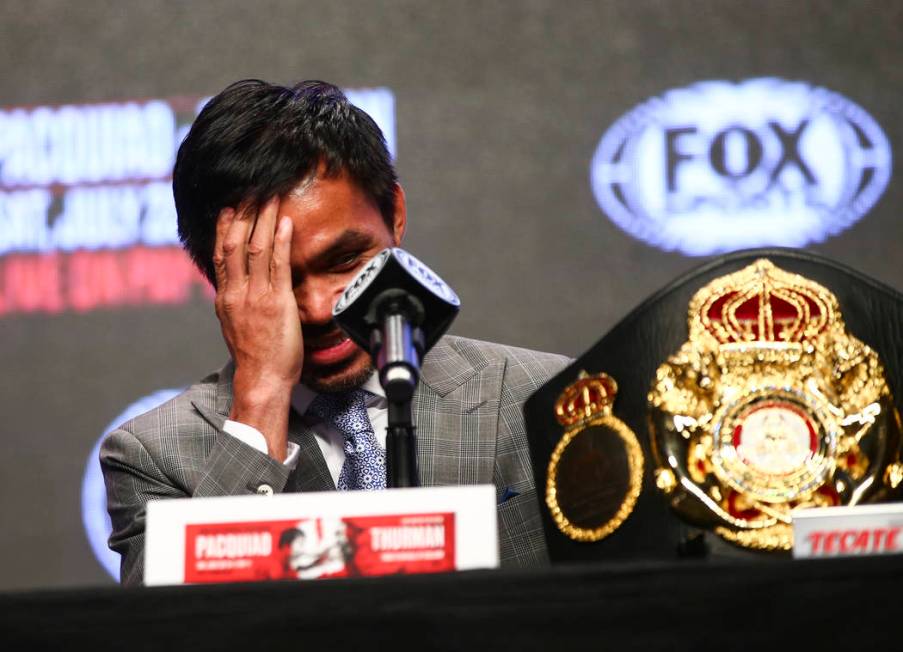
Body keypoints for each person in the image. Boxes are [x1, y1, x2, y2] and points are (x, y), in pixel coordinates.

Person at [101, 79, 570, 586]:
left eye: (346, 260)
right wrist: (261, 395)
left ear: (395, 214)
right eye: (275, 280)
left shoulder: (541, 397)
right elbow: (187, 632)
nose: (321, 308)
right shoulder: (151, 455)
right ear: (220, 281)